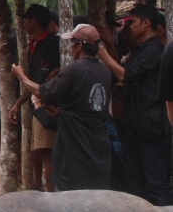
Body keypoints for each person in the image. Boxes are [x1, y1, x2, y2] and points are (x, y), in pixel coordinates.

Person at [12, 24, 112, 191]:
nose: (71, 47)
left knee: (70, 195)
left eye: (73, 42)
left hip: (74, 145)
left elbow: (42, 92)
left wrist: (21, 77)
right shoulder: (104, 71)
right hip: (97, 145)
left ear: (79, 46)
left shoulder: (74, 70)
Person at [98, 4, 171, 206]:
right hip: (134, 126)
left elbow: (125, 75)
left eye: (133, 22)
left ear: (146, 23)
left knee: (156, 182)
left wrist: (101, 51)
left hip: (151, 126)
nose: (129, 27)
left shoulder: (155, 49)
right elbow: (123, 79)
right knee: (134, 182)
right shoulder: (140, 51)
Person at [8, 3, 60, 192]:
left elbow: (40, 84)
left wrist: (21, 77)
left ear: (35, 20)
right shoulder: (34, 44)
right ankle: (39, 186)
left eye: (27, 19)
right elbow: (35, 81)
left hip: (49, 106)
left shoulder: (53, 44)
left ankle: (51, 195)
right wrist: (18, 104)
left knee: (48, 153)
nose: (24, 23)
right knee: (39, 149)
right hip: (38, 104)